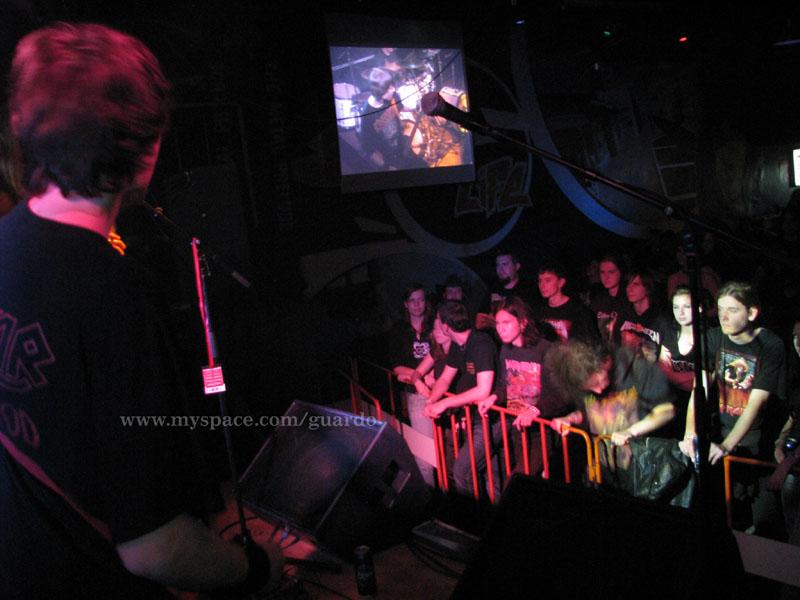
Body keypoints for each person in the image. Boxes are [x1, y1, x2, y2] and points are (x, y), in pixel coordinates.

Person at [0, 23, 280, 598]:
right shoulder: (114, 291)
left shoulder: (6, 240)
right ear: (143, 148)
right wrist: (255, 568)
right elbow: (155, 548)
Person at [422, 301, 499, 497]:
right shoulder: (459, 344)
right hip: (478, 416)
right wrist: (431, 401)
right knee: (490, 477)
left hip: (494, 418)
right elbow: (444, 379)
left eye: (438, 320)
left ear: (446, 327)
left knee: (462, 471)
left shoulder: (480, 343)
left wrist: (444, 403)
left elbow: (483, 390)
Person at [389, 284, 434, 485]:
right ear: (406, 304)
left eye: (421, 299)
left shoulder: (434, 325)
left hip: (441, 390)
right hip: (417, 394)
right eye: (412, 300)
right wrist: (418, 379)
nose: (417, 304)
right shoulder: (399, 330)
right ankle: (430, 496)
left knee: (445, 449)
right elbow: (397, 367)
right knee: (425, 456)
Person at [532, 263, 598, 344]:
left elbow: (591, 343)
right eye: (540, 281)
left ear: (561, 282)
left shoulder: (578, 311)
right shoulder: (538, 312)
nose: (542, 285)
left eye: (547, 280)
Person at [475, 250, 537, 330]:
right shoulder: (493, 289)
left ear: (517, 266)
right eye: (498, 265)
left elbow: (529, 322)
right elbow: (479, 321)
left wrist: (494, 322)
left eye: (505, 264)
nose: (500, 269)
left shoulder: (528, 290)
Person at [589, 254, 632, 351]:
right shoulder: (598, 299)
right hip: (602, 352)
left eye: (611, 272)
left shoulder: (629, 299)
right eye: (602, 272)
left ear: (621, 272)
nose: (606, 277)